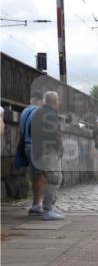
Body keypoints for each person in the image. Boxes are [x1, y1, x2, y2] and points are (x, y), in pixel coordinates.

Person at [31, 91, 65, 221]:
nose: (59, 103)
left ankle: (50, 206)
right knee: (54, 178)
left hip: (38, 151)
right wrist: (58, 146)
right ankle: (48, 209)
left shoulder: (37, 113)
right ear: (55, 101)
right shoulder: (50, 114)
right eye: (58, 101)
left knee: (52, 177)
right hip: (48, 151)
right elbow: (52, 134)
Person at [17, 93, 45, 215]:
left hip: (27, 146)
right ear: (39, 100)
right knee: (41, 176)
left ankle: (37, 203)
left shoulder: (24, 112)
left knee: (35, 176)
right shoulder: (37, 112)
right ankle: (38, 205)